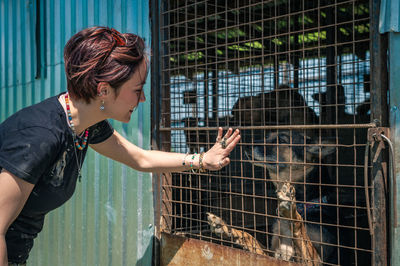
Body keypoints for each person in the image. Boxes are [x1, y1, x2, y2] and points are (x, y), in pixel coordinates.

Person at [0, 26, 241, 266]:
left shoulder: (85, 124)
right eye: (137, 90)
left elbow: (140, 159)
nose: (143, 98)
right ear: (103, 90)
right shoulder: (39, 136)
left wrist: (201, 160)